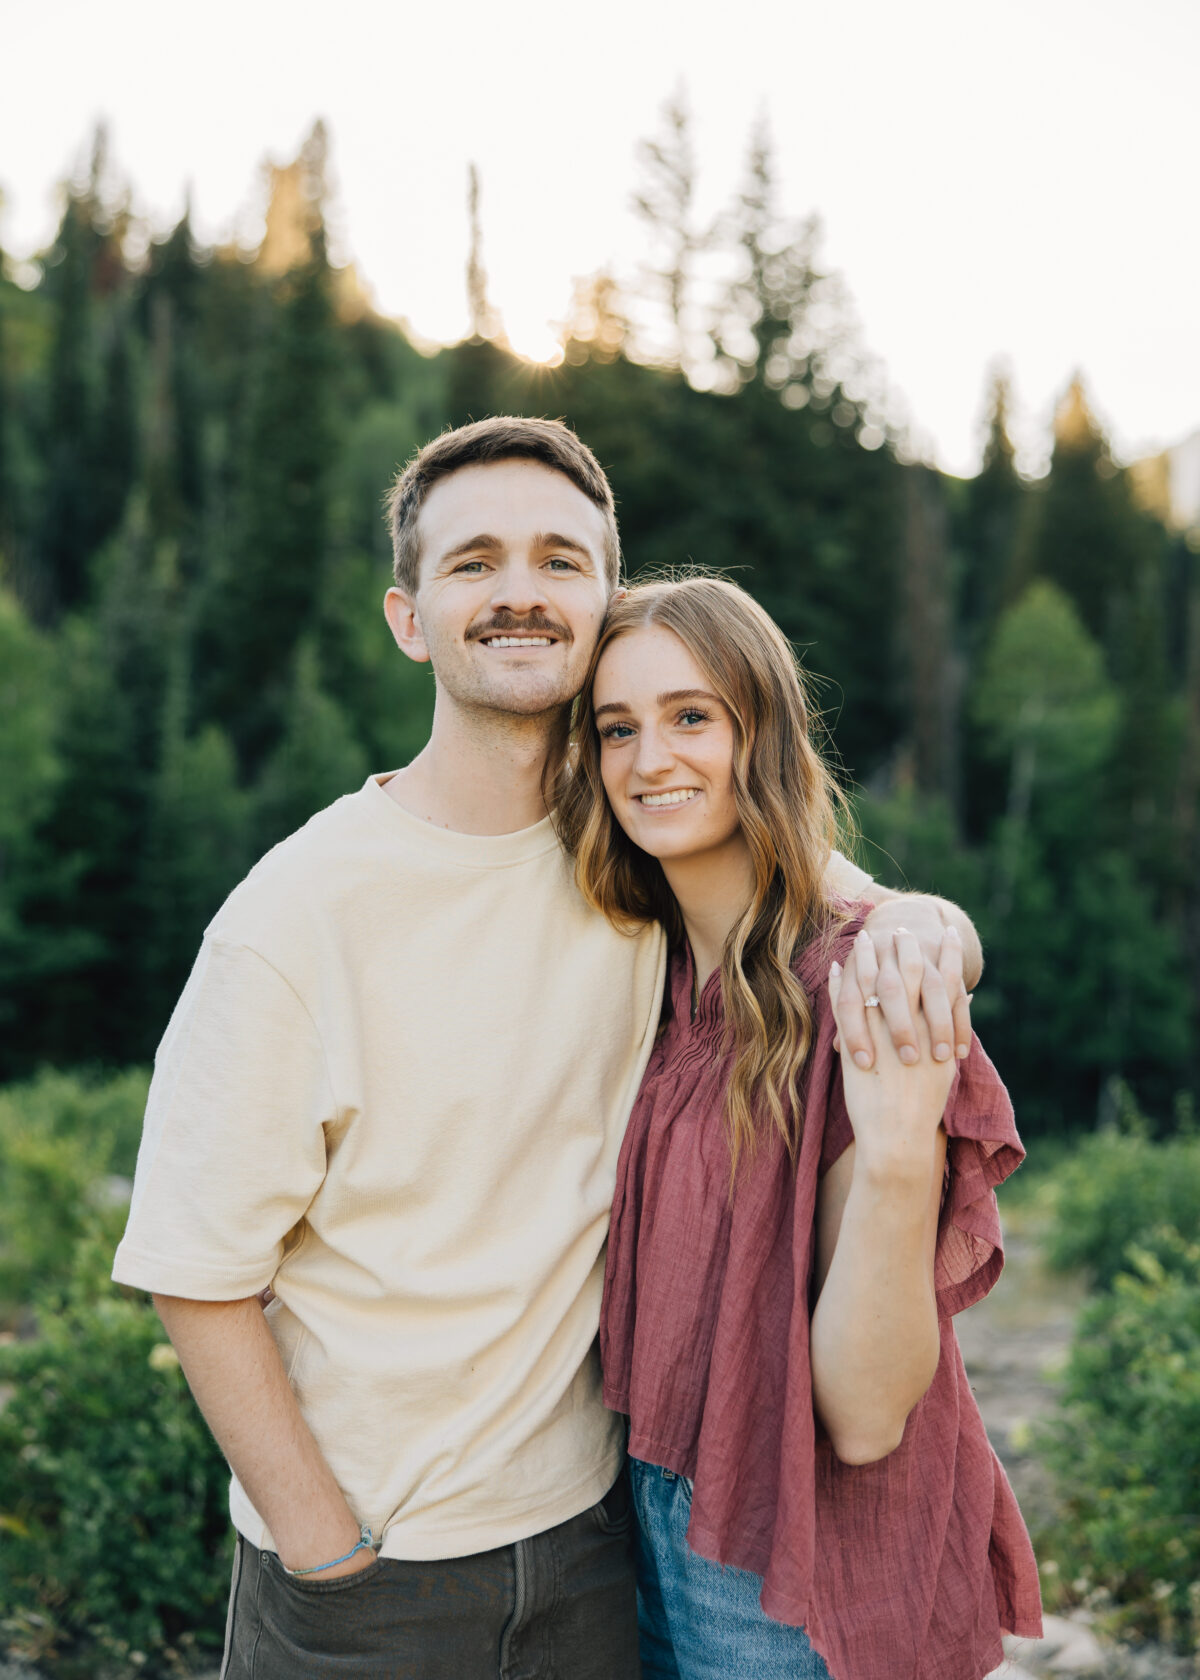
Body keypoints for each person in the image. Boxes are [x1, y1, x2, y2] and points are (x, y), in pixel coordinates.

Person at [113, 417, 983, 1680]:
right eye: (474, 563)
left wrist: (927, 922)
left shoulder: (637, 853)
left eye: (558, 561)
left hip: (590, 1546)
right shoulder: (294, 919)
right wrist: (325, 1547)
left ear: (599, 605)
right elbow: (196, 1271)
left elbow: (838, 896)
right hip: (374, 1575)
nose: (519, 590)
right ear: (410, 617)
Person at [555, 574, 1042, 1680]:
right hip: (633, 1520)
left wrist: (903, 1151)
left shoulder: (864, 987)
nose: (649, 760)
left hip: (801, 1576)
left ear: (761, 732)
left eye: (692, 716)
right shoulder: (649, 963)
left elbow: (867, 1417)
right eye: (616, 727)